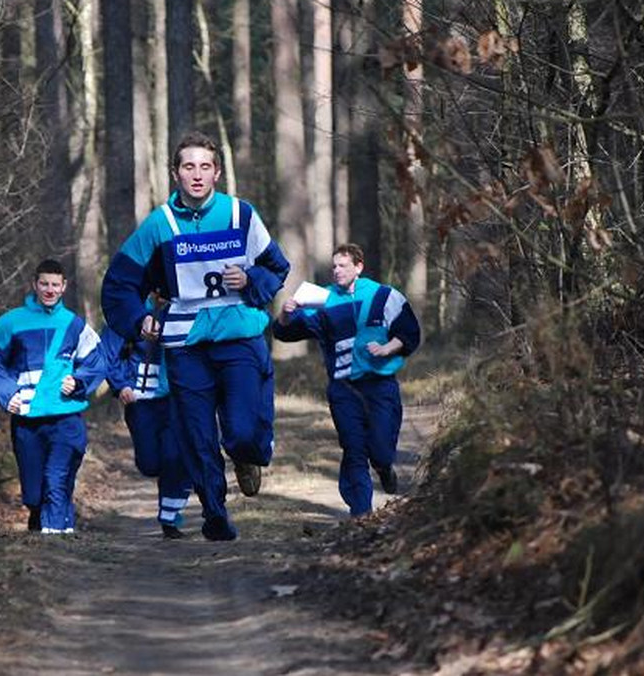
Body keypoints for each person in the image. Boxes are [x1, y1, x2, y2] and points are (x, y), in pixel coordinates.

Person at [101, 130, 289, 541]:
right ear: (176, 174)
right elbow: (118, 285)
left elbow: (278, 268)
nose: (197, 175)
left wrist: (251, 276)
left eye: (206, 166)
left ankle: (250, 456)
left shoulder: (241, 215)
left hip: (239, 339)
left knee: (240, 434)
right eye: (189, 166)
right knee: (197, 435)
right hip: (185, 347)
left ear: (217, 173)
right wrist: (138, 320)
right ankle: (215, 515)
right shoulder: (159, 226)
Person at [272, 243, 420, 518]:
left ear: (359, 267)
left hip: (380, 384)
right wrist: (286, 312)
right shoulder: (322, 299)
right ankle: (360, 513)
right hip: (343, 388)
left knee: (380, 450)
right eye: (334, 266)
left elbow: (409, 332)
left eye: (343, 265)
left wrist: (387, 348)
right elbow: (284, 332)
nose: (336, 271)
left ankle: (385, 467)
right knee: (353, 449)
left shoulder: (383, 296)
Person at [0, 259, 106, 533]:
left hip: (66, 417)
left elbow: (97, 359)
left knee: (56, 479)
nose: (49, 289)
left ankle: (56, 540)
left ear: (64, 287)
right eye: (44, 284)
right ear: (35, 285)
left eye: (55, 285)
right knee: (34, 494)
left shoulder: (74, 324)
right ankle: (45, 526)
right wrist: (6, 393)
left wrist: (79, 381)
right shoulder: (11, 322)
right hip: (27, 419)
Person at [100, 295, 192, 539]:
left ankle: (170, 519)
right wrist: (121, 385)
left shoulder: (188, 305)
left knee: (176, 456)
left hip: (178, 397)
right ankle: (167, 481)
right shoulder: (129, 309)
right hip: (141, 401)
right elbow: (108, 352)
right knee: (150, 463)